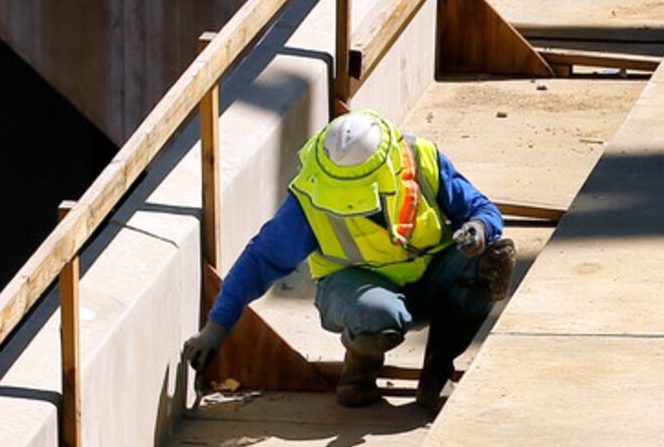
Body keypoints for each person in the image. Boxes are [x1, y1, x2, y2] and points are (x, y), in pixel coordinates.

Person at [180, 109, 515, 415]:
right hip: (358, 293)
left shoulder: (421, 158)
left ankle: (436, 373)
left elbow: (481, 209)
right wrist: (217, 326)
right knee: (376, 313)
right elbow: (260, 260)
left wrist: (479, 229)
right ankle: (358, 375)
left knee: (494, 258)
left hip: (432, 281)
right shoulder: (312, 194)